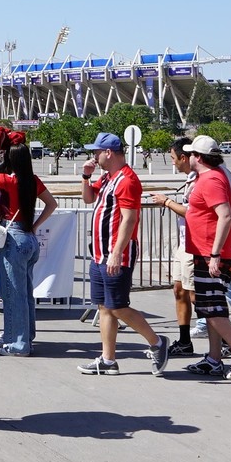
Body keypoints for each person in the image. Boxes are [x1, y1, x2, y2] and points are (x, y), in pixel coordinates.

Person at [77, 132, 169, 376]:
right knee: (104, 307)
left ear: (109, 153)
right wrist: (85, 177)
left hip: (116, 253)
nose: (94, 156)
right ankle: (108, 359)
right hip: (99, 253)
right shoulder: (107, 177)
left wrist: (117, 252)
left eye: (97, 151)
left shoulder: (126, 180)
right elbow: (87, 199)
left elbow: (130, 218)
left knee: (117, 306)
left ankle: (157, 342)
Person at [183, 135, 231, 379]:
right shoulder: (212, 176)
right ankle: (214, 358)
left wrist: (214, 255)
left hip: (212, 254)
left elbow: (224, 216)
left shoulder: (211, 179)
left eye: (190, 154)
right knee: (211, 307)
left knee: (212, 308)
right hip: (207, 252)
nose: (187, 157)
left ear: (198, 157)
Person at [0, 142, 57, 356]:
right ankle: (21, 336)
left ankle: (18, 344)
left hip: (14, 238)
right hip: (28, 236)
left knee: (13, 293)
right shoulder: (33, 181)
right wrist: (34, 226)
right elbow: (51, 204)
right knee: (24, 293)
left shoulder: (8, 181)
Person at [151, 136, 199, 356]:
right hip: (184, 242)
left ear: (183, 157)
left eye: (173, 158)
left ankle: (223, 341)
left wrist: (167, 202)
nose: (172, 162)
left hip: (195, 243)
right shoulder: (190, 178)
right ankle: (184, 340)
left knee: (195, 294)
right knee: (179, 290)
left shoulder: (200, 179)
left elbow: (192, 212)